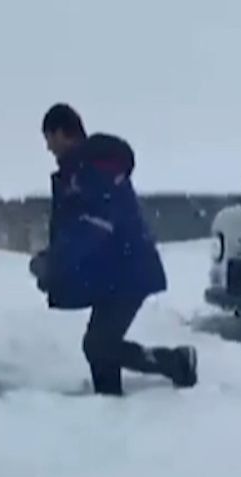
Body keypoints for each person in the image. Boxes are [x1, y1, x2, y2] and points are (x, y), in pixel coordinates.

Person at [29, 103, 197, 396]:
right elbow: (81, 229)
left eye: (49, 137)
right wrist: (55, 265)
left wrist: (54, 261)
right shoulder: (80, 170)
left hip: (129, 270)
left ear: (62, 133)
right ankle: (109, 404)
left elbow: (94, 226)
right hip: (113, 273)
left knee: (98, 344)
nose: (47, 147)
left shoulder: (91, 168)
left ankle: (177, 362)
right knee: (98, 347)